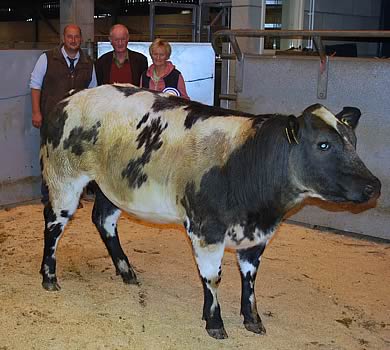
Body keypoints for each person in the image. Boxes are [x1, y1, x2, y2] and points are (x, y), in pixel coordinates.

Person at [30, 23, 97, 205]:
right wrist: (36, 111)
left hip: (76, 121)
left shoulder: (88, 63)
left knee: (73, 158)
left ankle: (73, 197)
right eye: (69, 36)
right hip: (51, 118)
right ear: (63, 38)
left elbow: (92, 92)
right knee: (50, 157)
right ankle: (49, 197)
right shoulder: (47, 58)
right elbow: (35, 85)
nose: (73, 40)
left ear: (81, 39)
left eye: (76, 37)